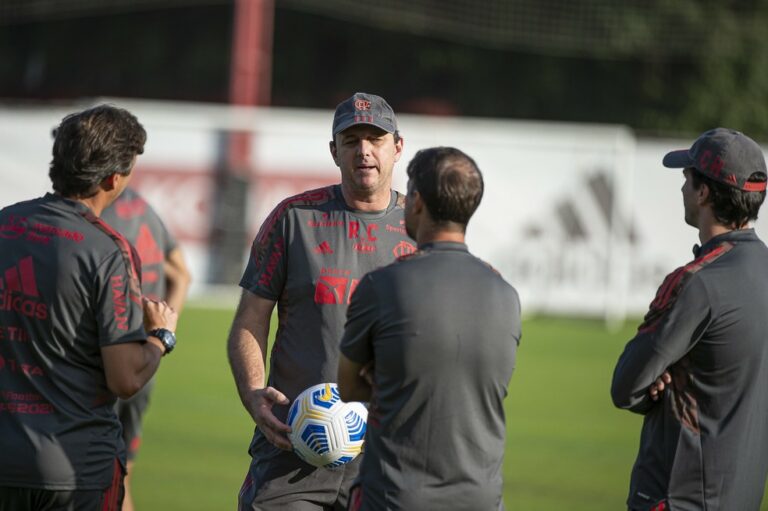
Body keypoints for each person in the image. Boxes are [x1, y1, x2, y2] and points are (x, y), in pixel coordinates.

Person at [227, 92, 417, 510]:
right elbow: (250, 320)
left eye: (375, 139)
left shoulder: (421, 230)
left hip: (386, 460)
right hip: (290, 448)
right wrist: (254, 393)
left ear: (398, 147)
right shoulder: (293, 219)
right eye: (351, 141)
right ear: (334, 151)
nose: (363, 151)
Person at [0, 104, 178, 511]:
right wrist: (160, 337)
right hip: (75, 467)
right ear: (113, 179)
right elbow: (125, 378)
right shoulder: (108, 251)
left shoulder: (4, 223)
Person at [337, 146, 521, 511]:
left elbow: (348, 385)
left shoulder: (381, 286)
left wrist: (391, 377)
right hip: (483, 500)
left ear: (417, 201)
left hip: (395, 497)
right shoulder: (506, 294)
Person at [611, 128, 768, 511]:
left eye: (687, 177)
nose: (682, 187)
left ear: (703, 193)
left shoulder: (696, 282)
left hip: (679, 496)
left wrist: (657, 384)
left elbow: (626, 386)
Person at [101, 187, 191, 511]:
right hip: (146, 358)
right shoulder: (145, 209)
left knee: (94, 479)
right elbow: (182, 275)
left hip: (107, 362)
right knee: (121, 477)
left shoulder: (97, 216)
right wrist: (164, 332)